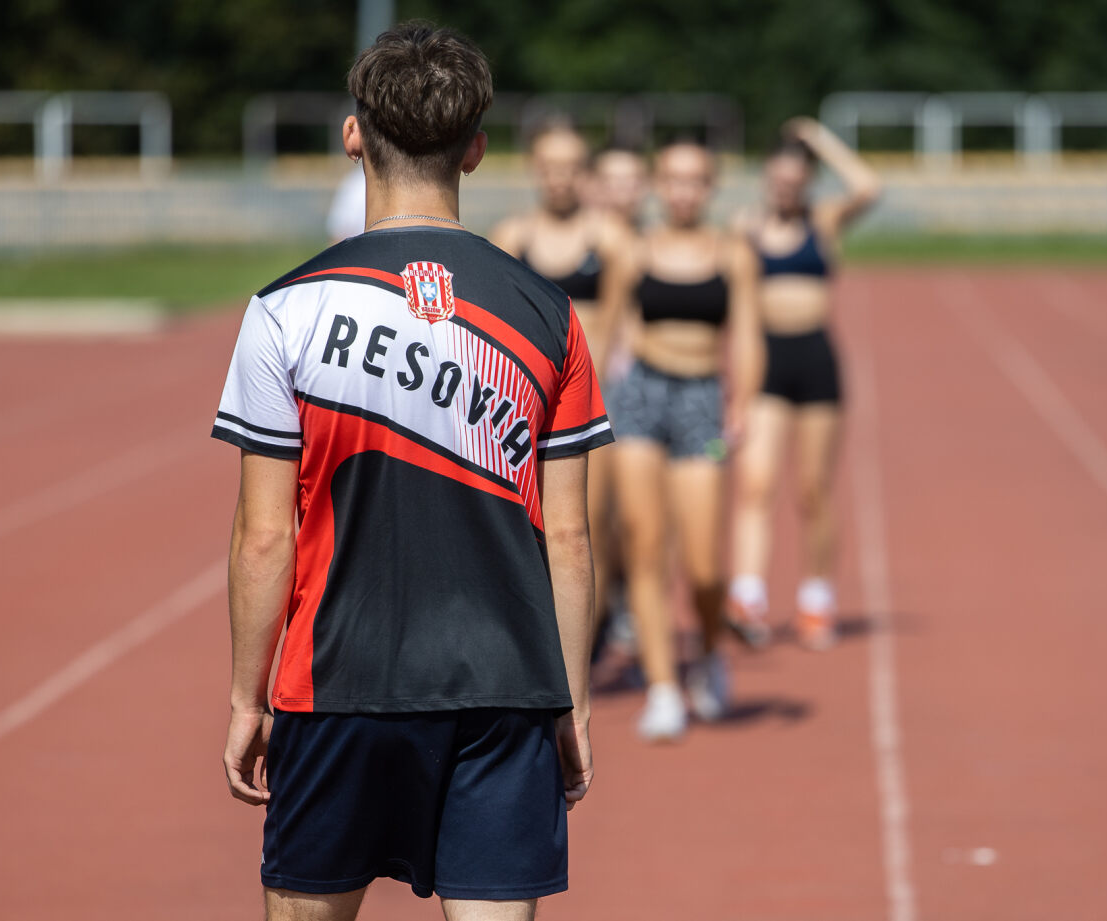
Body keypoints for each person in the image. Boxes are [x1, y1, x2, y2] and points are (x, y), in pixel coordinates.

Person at [213, 23, 612, 921]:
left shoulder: (286, 309)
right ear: (475, 148)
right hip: (508, 684)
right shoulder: (549, 311)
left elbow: (264, 531)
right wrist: (573, 699)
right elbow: (572, 535)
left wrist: (248, 696)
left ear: (354, 134)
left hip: (334, 680)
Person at [609, 140, 763, 741]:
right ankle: (664, 687)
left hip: (703, 398)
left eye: (695, 180)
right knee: (646, 548)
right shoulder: (635, 250)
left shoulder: (732, 252)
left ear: (711, 187)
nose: (682, 191)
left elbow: (747, 335)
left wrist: (743, 404)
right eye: (672, 180)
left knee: (703, 564)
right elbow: (612, 327)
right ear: (657, 185)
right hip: (643, 398)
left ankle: (708, 648)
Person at [727, 116, 881, 650]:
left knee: (813, 489)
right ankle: (747, 595)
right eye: (778, 181)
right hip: (767, 363)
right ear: (767, 178)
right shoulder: (744, 226)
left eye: (796, 181)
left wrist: (821, 140)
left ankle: (818, 598)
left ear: (808, 182)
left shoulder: (826, 219)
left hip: (816, 361)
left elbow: (870, 187)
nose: (786, 190)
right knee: (756, 483)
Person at [490, 126, 632, 642]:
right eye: (549, 167)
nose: (559, 179)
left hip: (591, 396)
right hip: (527, 397)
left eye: (571, 167)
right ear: (534, 169)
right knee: (531, 527)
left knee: (587, 523)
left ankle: (593, 631)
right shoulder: (511, 237)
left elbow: (615, 322)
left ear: (586, 173)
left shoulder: (609, 237)